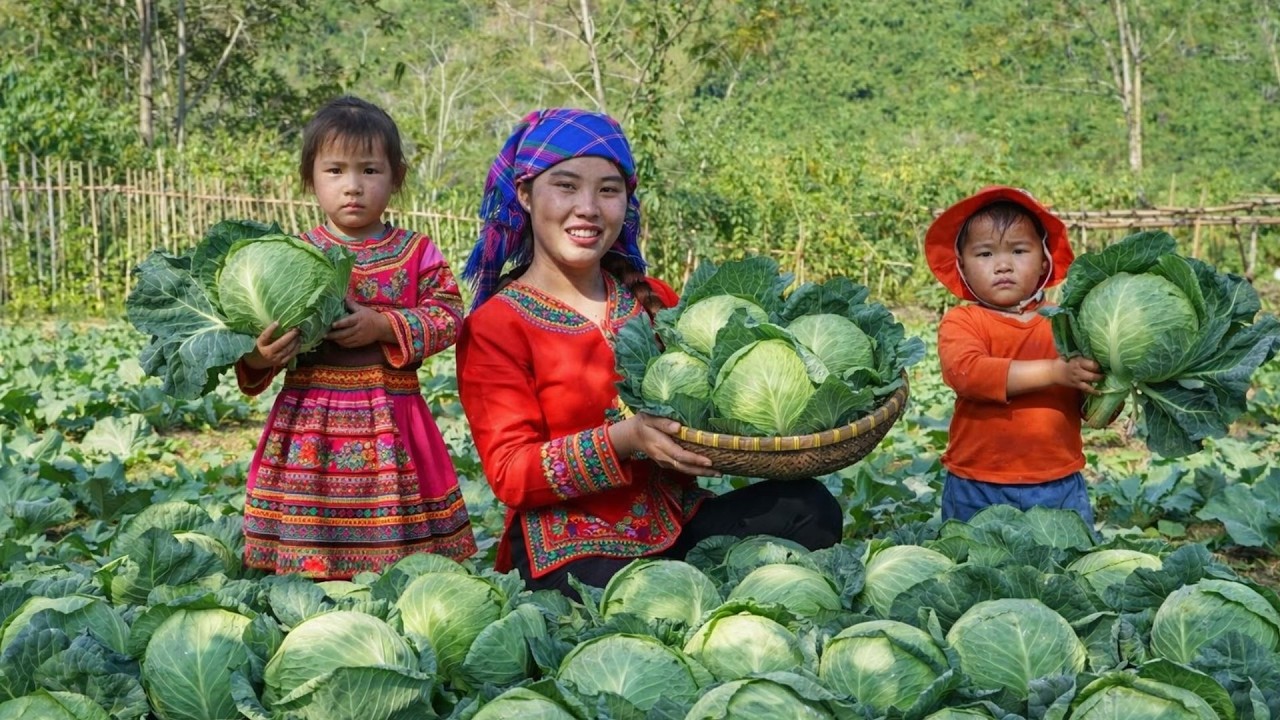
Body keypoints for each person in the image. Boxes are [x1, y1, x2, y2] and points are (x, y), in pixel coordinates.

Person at [455, 108, 843, 598]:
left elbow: (714, 397)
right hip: (574, 549)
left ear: (626, 202)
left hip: (681, 523)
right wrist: (627, 437)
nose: (589, 208)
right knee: (630, 596)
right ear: (526, 195)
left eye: (608, 190)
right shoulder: (496, 325)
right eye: (567, 186)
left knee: (809, 507)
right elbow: (512, 474)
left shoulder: (652, 298)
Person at [236, 95, 476, 579]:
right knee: (309, 551)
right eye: (335, 171)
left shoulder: (416, 252)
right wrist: (262, 356)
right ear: (310, 179)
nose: (353, 187)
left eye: (370, 170)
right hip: (310, 423)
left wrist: (383, 325)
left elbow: (449, 313)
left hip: (393, 418)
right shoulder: (290, 255)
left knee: (400, 571)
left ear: (396, 178)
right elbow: (246, 344)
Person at [924, 185, 1104, 526]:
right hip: (977, 485)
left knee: (1061, 570)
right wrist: (1055, 372)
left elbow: (1092, 407)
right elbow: (968, 374)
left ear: (1043, 263)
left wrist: (1106, 386)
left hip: (1057, 483)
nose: (1003, 265)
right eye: (985, 254)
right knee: (975, 571)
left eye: (1019, 251)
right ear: (961, 265)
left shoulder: (1067, 323)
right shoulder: (963, 321)